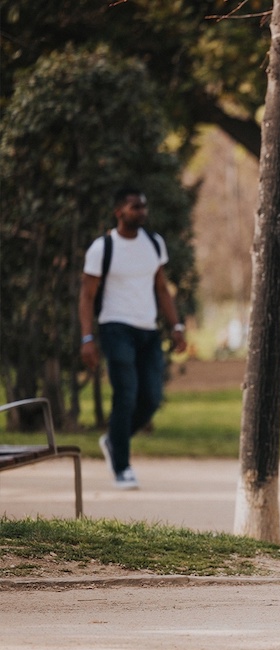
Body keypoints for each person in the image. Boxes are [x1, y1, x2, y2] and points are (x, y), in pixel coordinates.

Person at [78, 187, 186, 489]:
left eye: (144, 207)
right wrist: (87, 337)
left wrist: (176, 327)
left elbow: (162, 288)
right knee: (125, 394)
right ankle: (122, 467)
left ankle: (114, 441)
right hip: (116, 329)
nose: (142, 212)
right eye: (135, 207)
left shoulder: (154, 243)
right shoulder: (103, 248)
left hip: (148, 331)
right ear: (119, 212)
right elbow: (87, 296)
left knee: (151, 398)